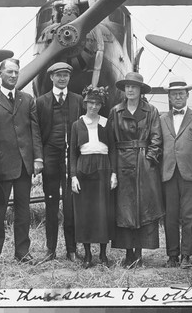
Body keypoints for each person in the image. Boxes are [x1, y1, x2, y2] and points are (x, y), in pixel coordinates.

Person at [0, 58, 43, 264]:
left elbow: (35, 131)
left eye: (16, 72)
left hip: (25, 166)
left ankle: (22, 253)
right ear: (0, 74)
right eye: (9, 72)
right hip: (1, 166)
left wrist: (38, 158)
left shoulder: (27, 100)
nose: (13, 76)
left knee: (23, 212)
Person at [108, 72, 164, 268]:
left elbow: (157, 139)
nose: (130, 90)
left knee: (143, 207)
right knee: (124, 208)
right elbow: (111, 141)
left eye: (134, 87)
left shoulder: (151, 111)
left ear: (141, 90)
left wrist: (148, 160)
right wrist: (113, 169)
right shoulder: (115, 111)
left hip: (143, 164)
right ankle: (128, 252)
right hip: (122, 163)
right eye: (127, 87)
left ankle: (139, 252)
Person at [160, 76, 192, 268]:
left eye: (181, 93)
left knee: (189, 216)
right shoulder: (162, 119)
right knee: (170, 217)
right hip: (168, 174)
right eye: (174, 94)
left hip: (190, 175)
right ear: (169, 97)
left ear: (187, 95)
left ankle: (186, 256)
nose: (178, 97)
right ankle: (172, 255)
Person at [36, 62, 84, 262]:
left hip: (71, 158)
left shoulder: (78, 100)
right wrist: (39, 158)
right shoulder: (41, 102)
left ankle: (72, 250)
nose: (62, 78)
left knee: (71, 206)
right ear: (51, 77)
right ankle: (51, 250)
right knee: (51, 205)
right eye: (59, 75)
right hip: (50, 157)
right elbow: (37, 133)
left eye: (66, 75)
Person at [70, 85, 117, 268]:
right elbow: (73, 153)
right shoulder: (77, 125)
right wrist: (73, 176)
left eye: (97, 103)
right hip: (84, 169)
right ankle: (88, 255)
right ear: (85, 104)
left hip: (103, 167)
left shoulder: (106, 123)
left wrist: (113, 173)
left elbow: (112, 149)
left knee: (103, 212)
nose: (94, 107)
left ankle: (103, 255)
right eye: (91, 103)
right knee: (85, 213)